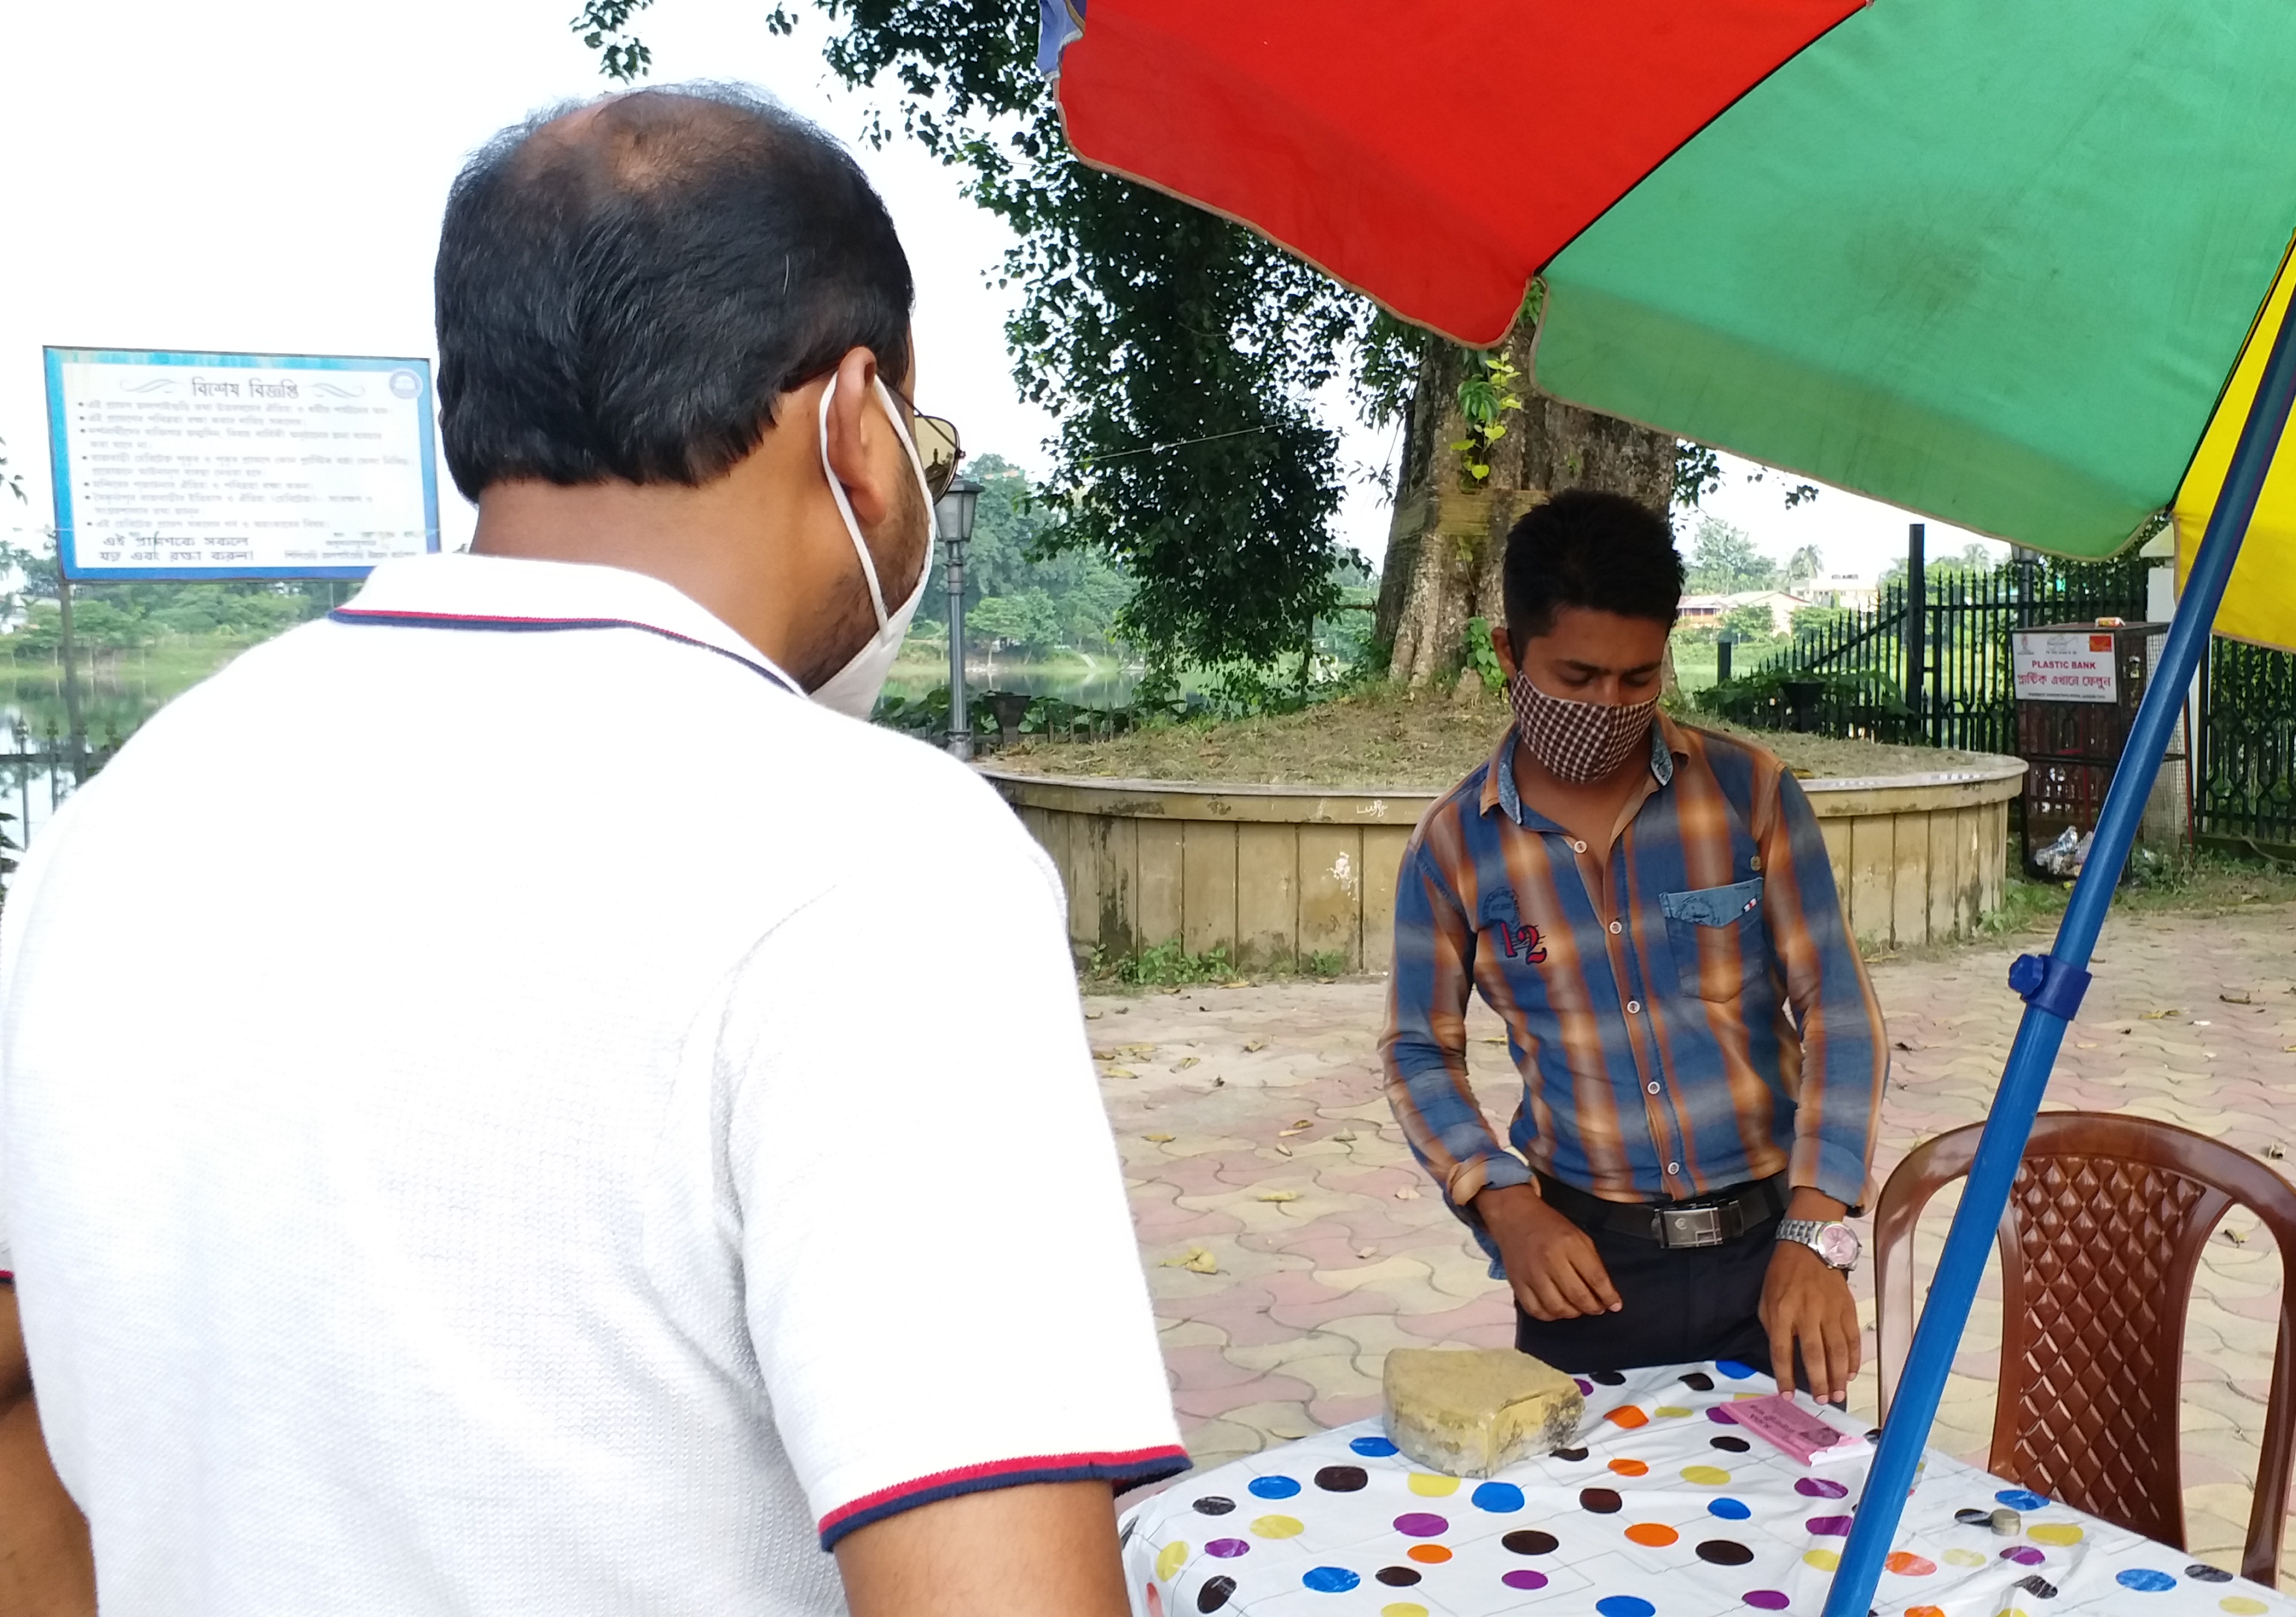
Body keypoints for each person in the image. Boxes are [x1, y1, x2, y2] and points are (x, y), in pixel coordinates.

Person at [0, 87, 1184, 1616]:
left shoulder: (118, 828)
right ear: (855, 420)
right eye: (925, 438)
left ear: (465, 416)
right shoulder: (875, 861)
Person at [1381, 490, 1888, 1402]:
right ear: (1509, 653)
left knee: (1791, 1528)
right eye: (1576, 680)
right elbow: (1419, 1050)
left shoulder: (1749, 794)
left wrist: (1818, 1233)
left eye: (1638, 680)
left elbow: (1839, 1015)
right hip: (1582, 1271)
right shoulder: (1454, 847)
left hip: (1775, 1257)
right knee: (1580, 1537)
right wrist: (1504, 1204)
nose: (1609, 707)